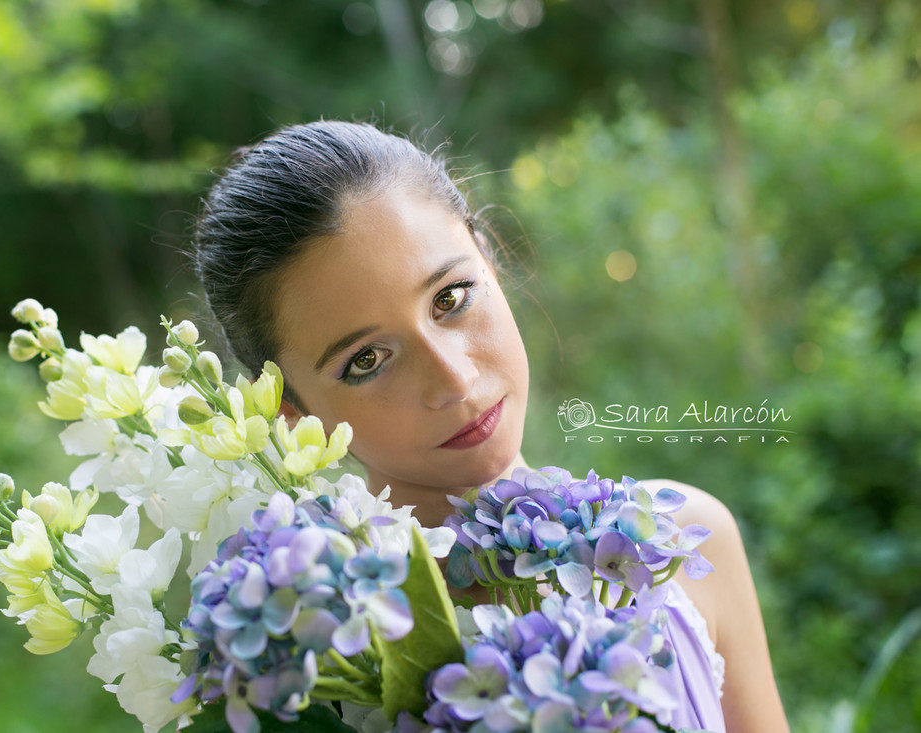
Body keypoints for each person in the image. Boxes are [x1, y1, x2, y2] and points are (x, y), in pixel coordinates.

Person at [192, 120, 790, 733]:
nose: (454, 380)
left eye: (450, 298)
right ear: (293, 413)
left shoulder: (683, 545)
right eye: (366, 360)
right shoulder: (303, 669)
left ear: (490, 258)